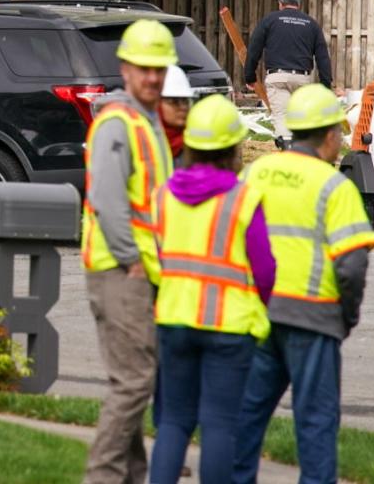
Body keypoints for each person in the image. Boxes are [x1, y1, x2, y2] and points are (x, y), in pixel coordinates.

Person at [232, 84, 374, 484]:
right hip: (314, 320)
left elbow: (229, 236)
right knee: (315, 423)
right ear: (329, 135)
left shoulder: (257, 172)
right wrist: (345, 317)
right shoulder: (335, 188)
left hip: (258, 316)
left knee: (246, 417)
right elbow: (351, 267)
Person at [149, 94, 276, 484]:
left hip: (173, 321)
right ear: (233, 147)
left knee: (173, 422)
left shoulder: (165, 194)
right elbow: (265, 269)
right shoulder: (243, 197)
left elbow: (158, 254)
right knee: (221, 425)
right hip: (229, 326)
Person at [82, 18, 176, 484]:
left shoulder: (143, 122)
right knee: (135, 383)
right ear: (125, 69)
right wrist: (133, 261)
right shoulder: (119, 124)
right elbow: (108, 201)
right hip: (121, 272)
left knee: (135, 382)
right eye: (144, 69)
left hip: (133, 271)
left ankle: (133, 477)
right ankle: (101, 476)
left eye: (159, 69)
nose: (153, 77)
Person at [243, 0, 333, 147]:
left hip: (277, 78)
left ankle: (287, 151)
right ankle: (303, 150)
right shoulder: (311, 24)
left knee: (282, 117)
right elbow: (322, 56)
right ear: (299, 5)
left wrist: (250, 76)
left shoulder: (269, 20)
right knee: (300, 119)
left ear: (280, 4)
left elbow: (254, 49)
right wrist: (326, 84)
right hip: (302, 79)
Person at [159, 65, 195, 167]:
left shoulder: (197, 145)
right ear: (157, 103)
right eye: (174, 101)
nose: (183, 107)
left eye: (185, 101)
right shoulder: (145, 140)